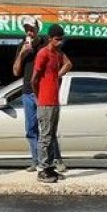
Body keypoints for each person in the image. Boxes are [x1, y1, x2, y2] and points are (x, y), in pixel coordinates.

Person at [13, 18, 68, 173]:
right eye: (27, 29)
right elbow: (16, 71)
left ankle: (56, 160)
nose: (29, 32)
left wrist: (56, 76)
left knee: (48, 129)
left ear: (37, 29)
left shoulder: (47, 43)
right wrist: (22, 54)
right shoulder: (21, 46)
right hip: (28, 92)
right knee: (31, 129)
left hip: (43, 92)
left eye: (32, 29)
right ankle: (36, 161)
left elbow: (66, 62)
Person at [31, 24, 72, 183]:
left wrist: (58, 75)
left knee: (52, 136)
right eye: (57, 40)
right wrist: (38, 97)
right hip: (45, 102)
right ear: (50, 39)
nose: (60, 42)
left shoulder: (58, 53)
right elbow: (34, 79)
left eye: (62, 39)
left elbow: (69, 63)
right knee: (45, 137)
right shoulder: (43, 54)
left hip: (54, 101)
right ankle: (42, 170)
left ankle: (49, 168)